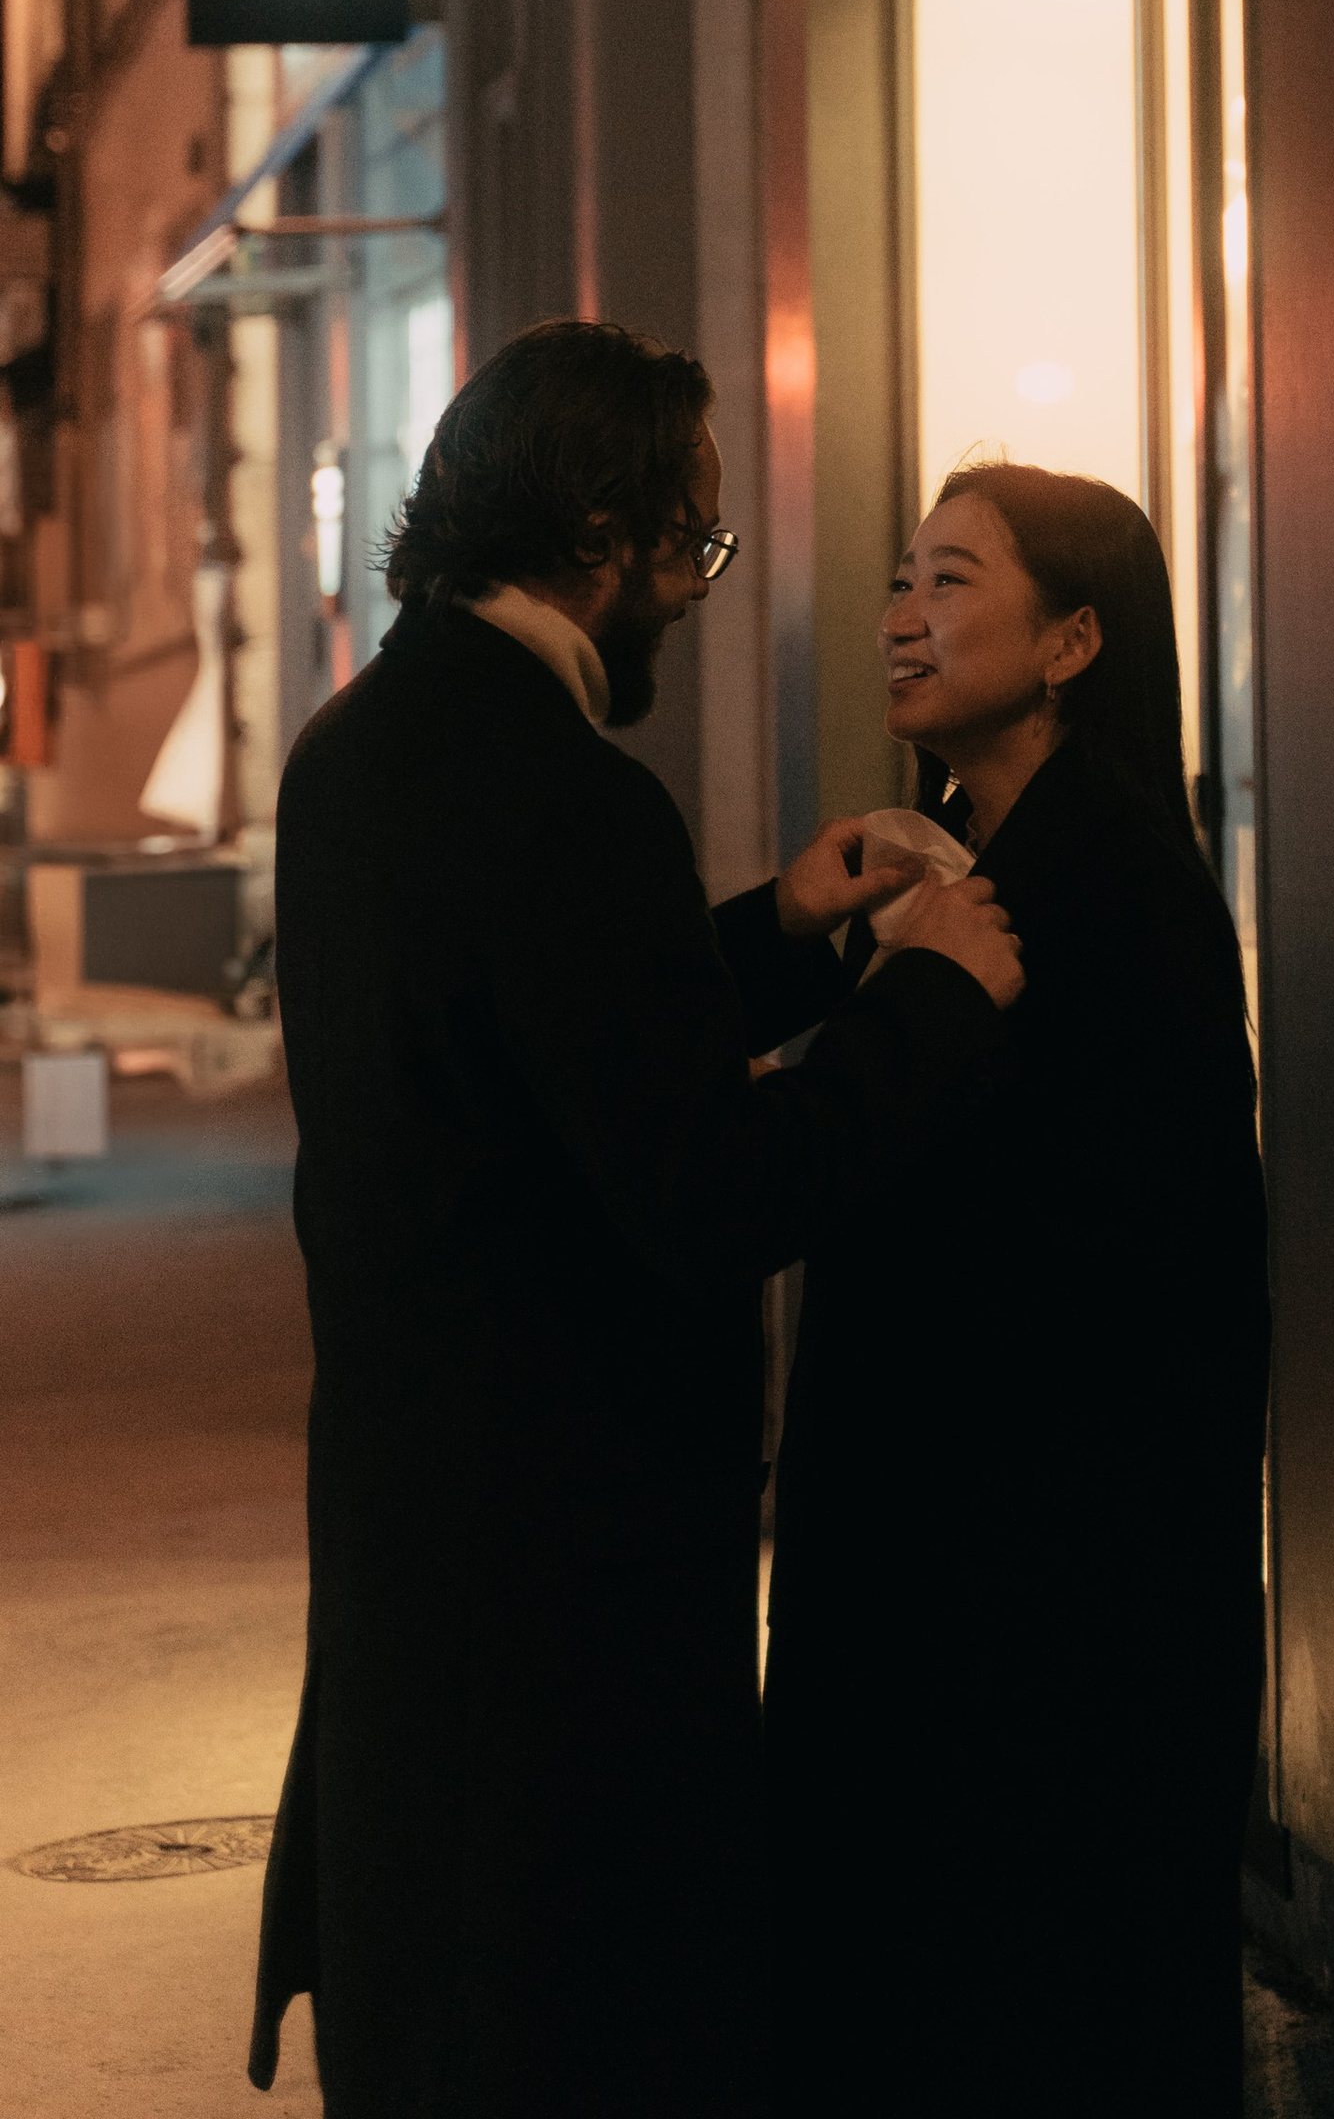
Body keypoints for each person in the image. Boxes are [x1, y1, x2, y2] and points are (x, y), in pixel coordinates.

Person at [249, 321, 1022, 2119]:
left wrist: (784, 926)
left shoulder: (360, 748)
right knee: (575, 2020)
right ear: (601, 535)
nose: (693, 590)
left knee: (435, 1993)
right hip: (567, 1560)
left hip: (417, 1502)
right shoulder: (568, 800)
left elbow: (534, 1055)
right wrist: (927, 998)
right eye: (693, 545)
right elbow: (702, 1190)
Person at [764, 464, 1271, 2118]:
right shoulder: (968, 852)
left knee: (1043, 1990)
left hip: (1046, 1561)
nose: (903, 615)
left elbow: (1131, 1246)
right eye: (901, 579)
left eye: (953, 582)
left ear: (1072, 643)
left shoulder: (1107, 875)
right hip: (966, 1535)